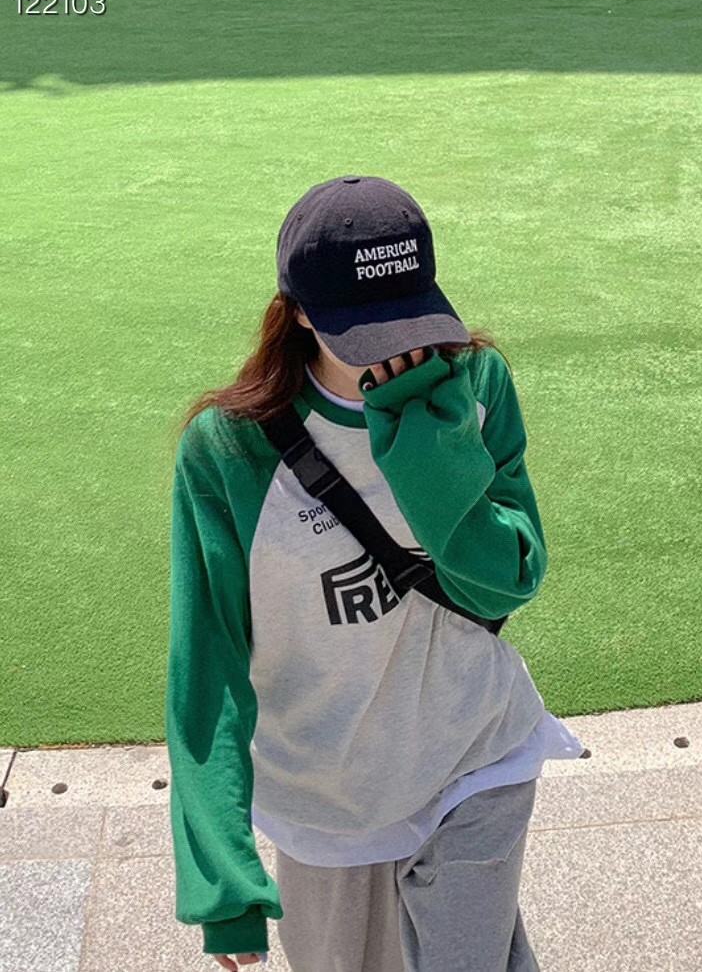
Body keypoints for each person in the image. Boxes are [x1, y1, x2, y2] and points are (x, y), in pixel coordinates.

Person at [164, 174, 584, 972]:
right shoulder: (227, 450)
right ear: (297, 312)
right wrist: (220, 874)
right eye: (360, 328)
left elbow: (507, 583)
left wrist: (428, 452)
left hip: (474, 747)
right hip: (326, 792)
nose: (393, 345)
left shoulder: (475, 385)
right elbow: (207, 660)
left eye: (407, 315)